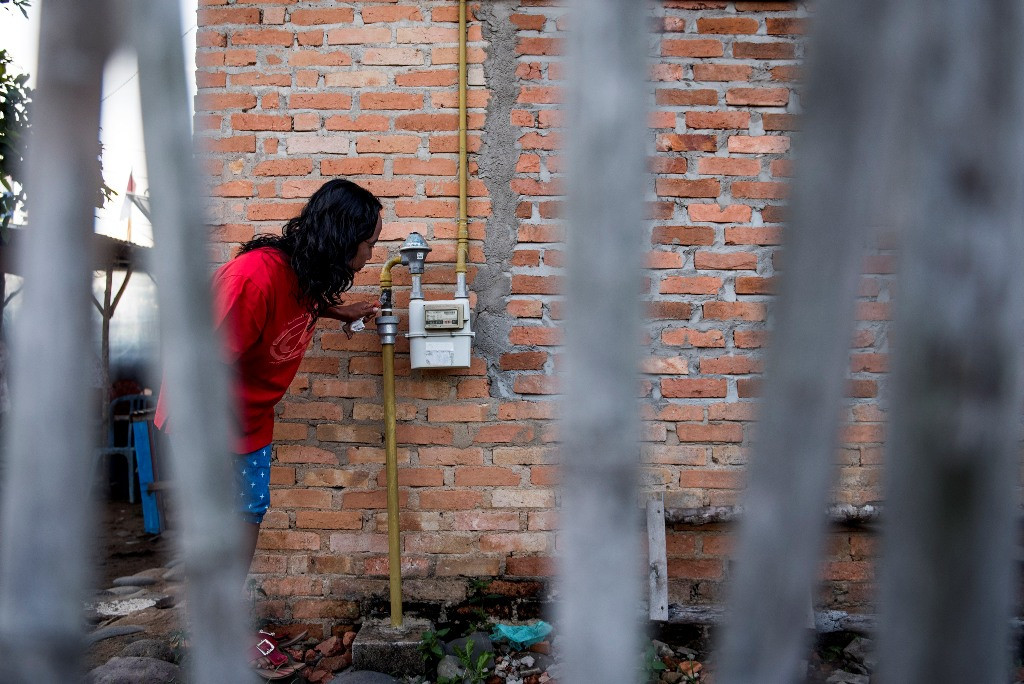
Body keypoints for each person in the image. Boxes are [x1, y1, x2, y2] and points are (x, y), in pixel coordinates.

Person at [155, 177, 382, 579]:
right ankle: (211, 629)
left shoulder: (301, 273)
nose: (370, 256)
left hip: (249, 419)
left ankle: (229, 619)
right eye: (370, 245)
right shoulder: (252, 280)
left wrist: (338, 310)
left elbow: (299, 296)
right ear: (345, 238)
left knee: (249, 512)